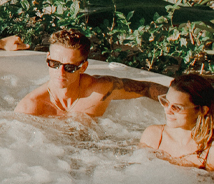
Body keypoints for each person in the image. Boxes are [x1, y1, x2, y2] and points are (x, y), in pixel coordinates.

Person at [14, 27, 173, 119]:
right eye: (54, 64)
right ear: (48, 58)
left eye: (69, 67)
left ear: (83, 67)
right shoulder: (30, 107)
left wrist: (179, 102)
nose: (60, 72)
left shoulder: (101, 89)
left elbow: (146, 88)